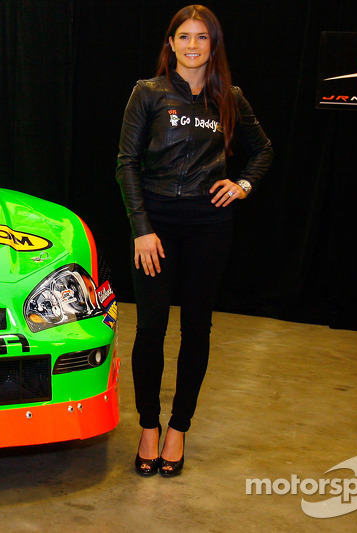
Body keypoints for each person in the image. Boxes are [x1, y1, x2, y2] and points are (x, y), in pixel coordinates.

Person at [115, 4, 273, 477]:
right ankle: (148, 426)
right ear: (171, 44)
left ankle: (179, 428)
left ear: (213, 46)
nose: (191, 45)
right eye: (183, 36)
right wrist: (142, 230)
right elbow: (126, 163)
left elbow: (263, 150)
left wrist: (242, 185)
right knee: (150, 330)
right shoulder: (148, 93)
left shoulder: (230, 98)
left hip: (210, 228)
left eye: (201, 38)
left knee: (197, 330)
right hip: (156, 228)